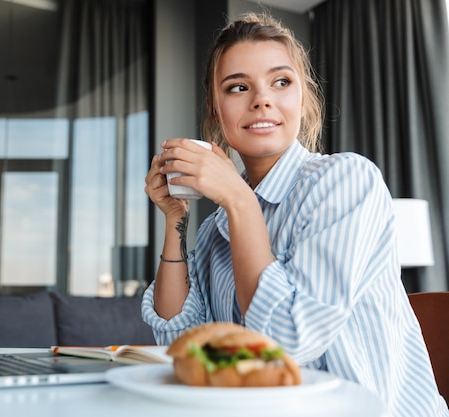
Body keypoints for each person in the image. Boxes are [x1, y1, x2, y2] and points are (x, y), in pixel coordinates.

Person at [142, 12, 448, 417]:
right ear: (216, 112)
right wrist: (173, 217)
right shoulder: (217, 229)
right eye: (238, 87)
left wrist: (238, 198)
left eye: (281, 82)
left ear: (302, 99)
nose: (261, 99)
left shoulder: (346, 181)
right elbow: (178, 337)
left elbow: (287, 341)